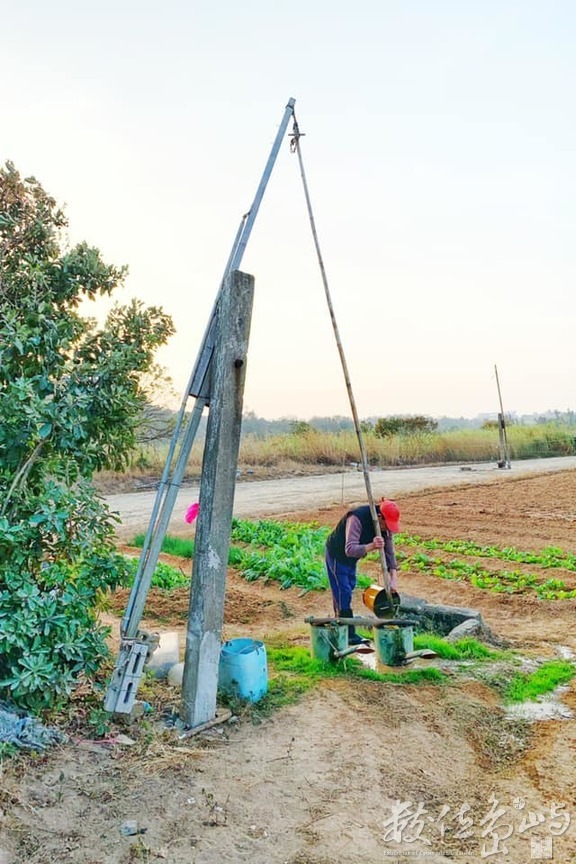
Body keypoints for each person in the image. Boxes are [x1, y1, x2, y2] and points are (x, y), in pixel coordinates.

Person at [324, 498, 401, 645]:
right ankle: (349, 635)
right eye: (387, 525)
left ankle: (340, 626)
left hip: (352, 560)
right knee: (343, 591)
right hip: (337, 554)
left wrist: (393, 577)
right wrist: (371, 546)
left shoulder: (384, 529)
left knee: (349, 586)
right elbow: (350, 549)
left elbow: (389, 552)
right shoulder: (356, 518)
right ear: (379, 517)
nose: (388, 529)